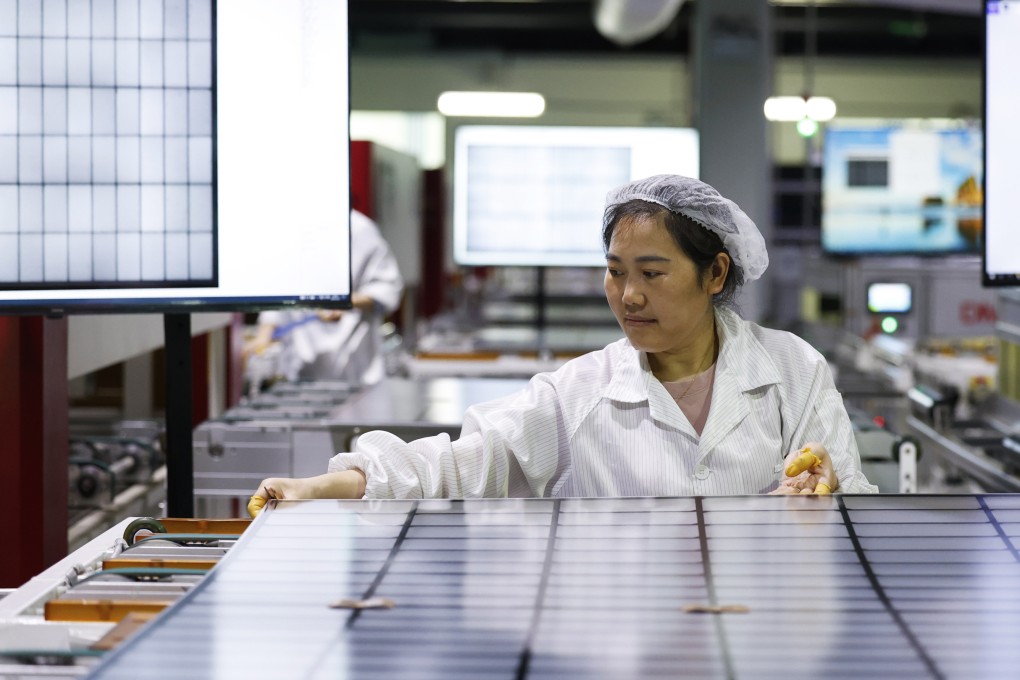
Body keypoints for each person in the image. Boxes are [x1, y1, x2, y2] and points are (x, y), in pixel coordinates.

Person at [249, 175, 876, 513]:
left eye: (652, 274)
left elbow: (854, 506)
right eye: (615, 270)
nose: (628, 295)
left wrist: (828, 495)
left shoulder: (792, 371)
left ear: (714, 274)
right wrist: (323, 486)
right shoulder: (579, 393)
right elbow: (460, 463)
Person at [244, 209, 404, 387]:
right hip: (300, 371)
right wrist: (264, 334)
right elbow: (279, 288)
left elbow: (387, 290)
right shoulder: (289, 226)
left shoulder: (361, 229)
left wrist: (345, 302)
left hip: (354, 367)